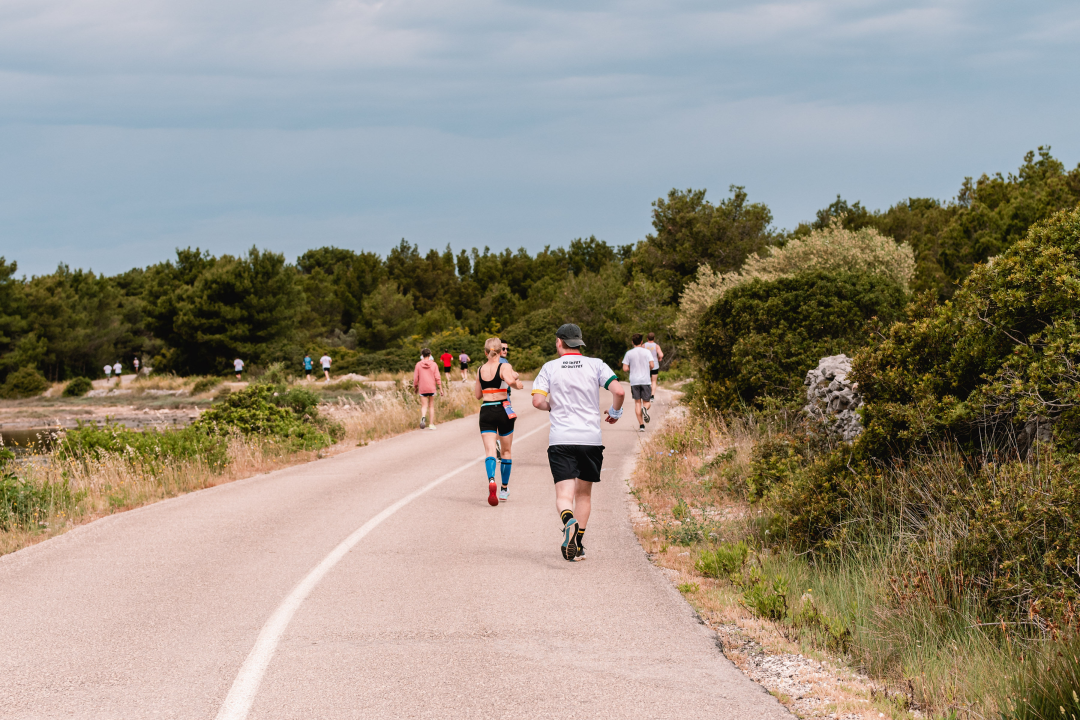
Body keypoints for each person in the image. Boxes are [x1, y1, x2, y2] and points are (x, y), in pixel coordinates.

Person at [531, 323, 625, 562]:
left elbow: (537, 401)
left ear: (559, 342)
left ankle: (567, 519)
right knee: (584, 495)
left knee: (565, 495)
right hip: (590, 440)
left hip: (561, 440)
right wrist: (615, 412)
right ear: (579, 343)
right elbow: (619, 391)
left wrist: (551, 406)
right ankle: (579, 544)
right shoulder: (596, 364)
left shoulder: (550, 367)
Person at [475, 337, 523, 505]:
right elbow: (510, 381)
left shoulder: (480, 369)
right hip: (503, 408)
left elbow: (478, 395)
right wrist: (517, 382)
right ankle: (503, 489)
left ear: (485, 352)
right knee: (506, 452)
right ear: (500, 351)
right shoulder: (504, 366)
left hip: (486, 410)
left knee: (490, 450)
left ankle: (491, 480)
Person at [621, 333, 656, 433]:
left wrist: (631, 368)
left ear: (632, 342)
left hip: (634, 381)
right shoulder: (647, 352)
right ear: (641, 341)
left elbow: (625, 368)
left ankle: (641, 425)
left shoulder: (629, 353)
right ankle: (645, 409)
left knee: (637, 403)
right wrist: (647, 369)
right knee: (647, 402)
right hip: (645, 380)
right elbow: (652, 365)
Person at [413, 348, 442, 430]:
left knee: (424, 405)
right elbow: (437, 377)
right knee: (431, 405)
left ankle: (423, 417)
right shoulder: (434, 364)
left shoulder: (418, 364)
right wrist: (441, 389)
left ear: (422, 355)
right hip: (431, 387)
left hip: (422, 388)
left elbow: (415, 378)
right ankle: (431, 424)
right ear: (430, 355)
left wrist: (415, 387)